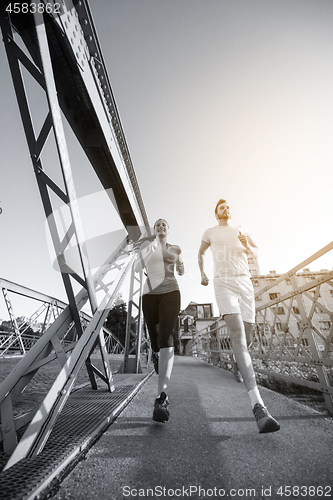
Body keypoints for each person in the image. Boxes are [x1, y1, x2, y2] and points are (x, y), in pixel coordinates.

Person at [198, 199, 280, 433]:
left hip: (244, 281)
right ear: (216, 214)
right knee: (238, 337)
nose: (225, 209)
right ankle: (258, 406)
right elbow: (200, 252)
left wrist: (247, 246)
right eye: (221, 208)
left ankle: (237, 362)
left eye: (227, 207)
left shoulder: (242, 229)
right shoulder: (210, 232)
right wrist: (203, 273)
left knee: (249, 335)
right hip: (223, 282)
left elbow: (256, 250)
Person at [134, 219, 184, 423]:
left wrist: (181, 266)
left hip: (171, 292)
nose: (161, 227)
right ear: (154, 231)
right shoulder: (149, 247)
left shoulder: (175, 248)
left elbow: (181, 270)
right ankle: (156, 355)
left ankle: (161, 397)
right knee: (155, 341)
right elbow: (137, 267)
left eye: (164, 225)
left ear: (168, 230)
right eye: (158, 225)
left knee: (166, 336)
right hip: (150, 295)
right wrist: (147, 248)